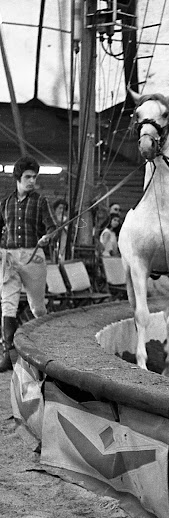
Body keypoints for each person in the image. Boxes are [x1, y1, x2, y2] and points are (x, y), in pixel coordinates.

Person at [0, 155, 57, 372]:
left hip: (34, 257)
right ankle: (9, 356)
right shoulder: (5, 204)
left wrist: (48, 236)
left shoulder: (41, 201)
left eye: (35, 177)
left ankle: (45, 352)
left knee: (37, 307)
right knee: (8, 305)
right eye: (28, 177)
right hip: (9, 258)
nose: (32, 181)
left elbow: (52, 227)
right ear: (18, 178)